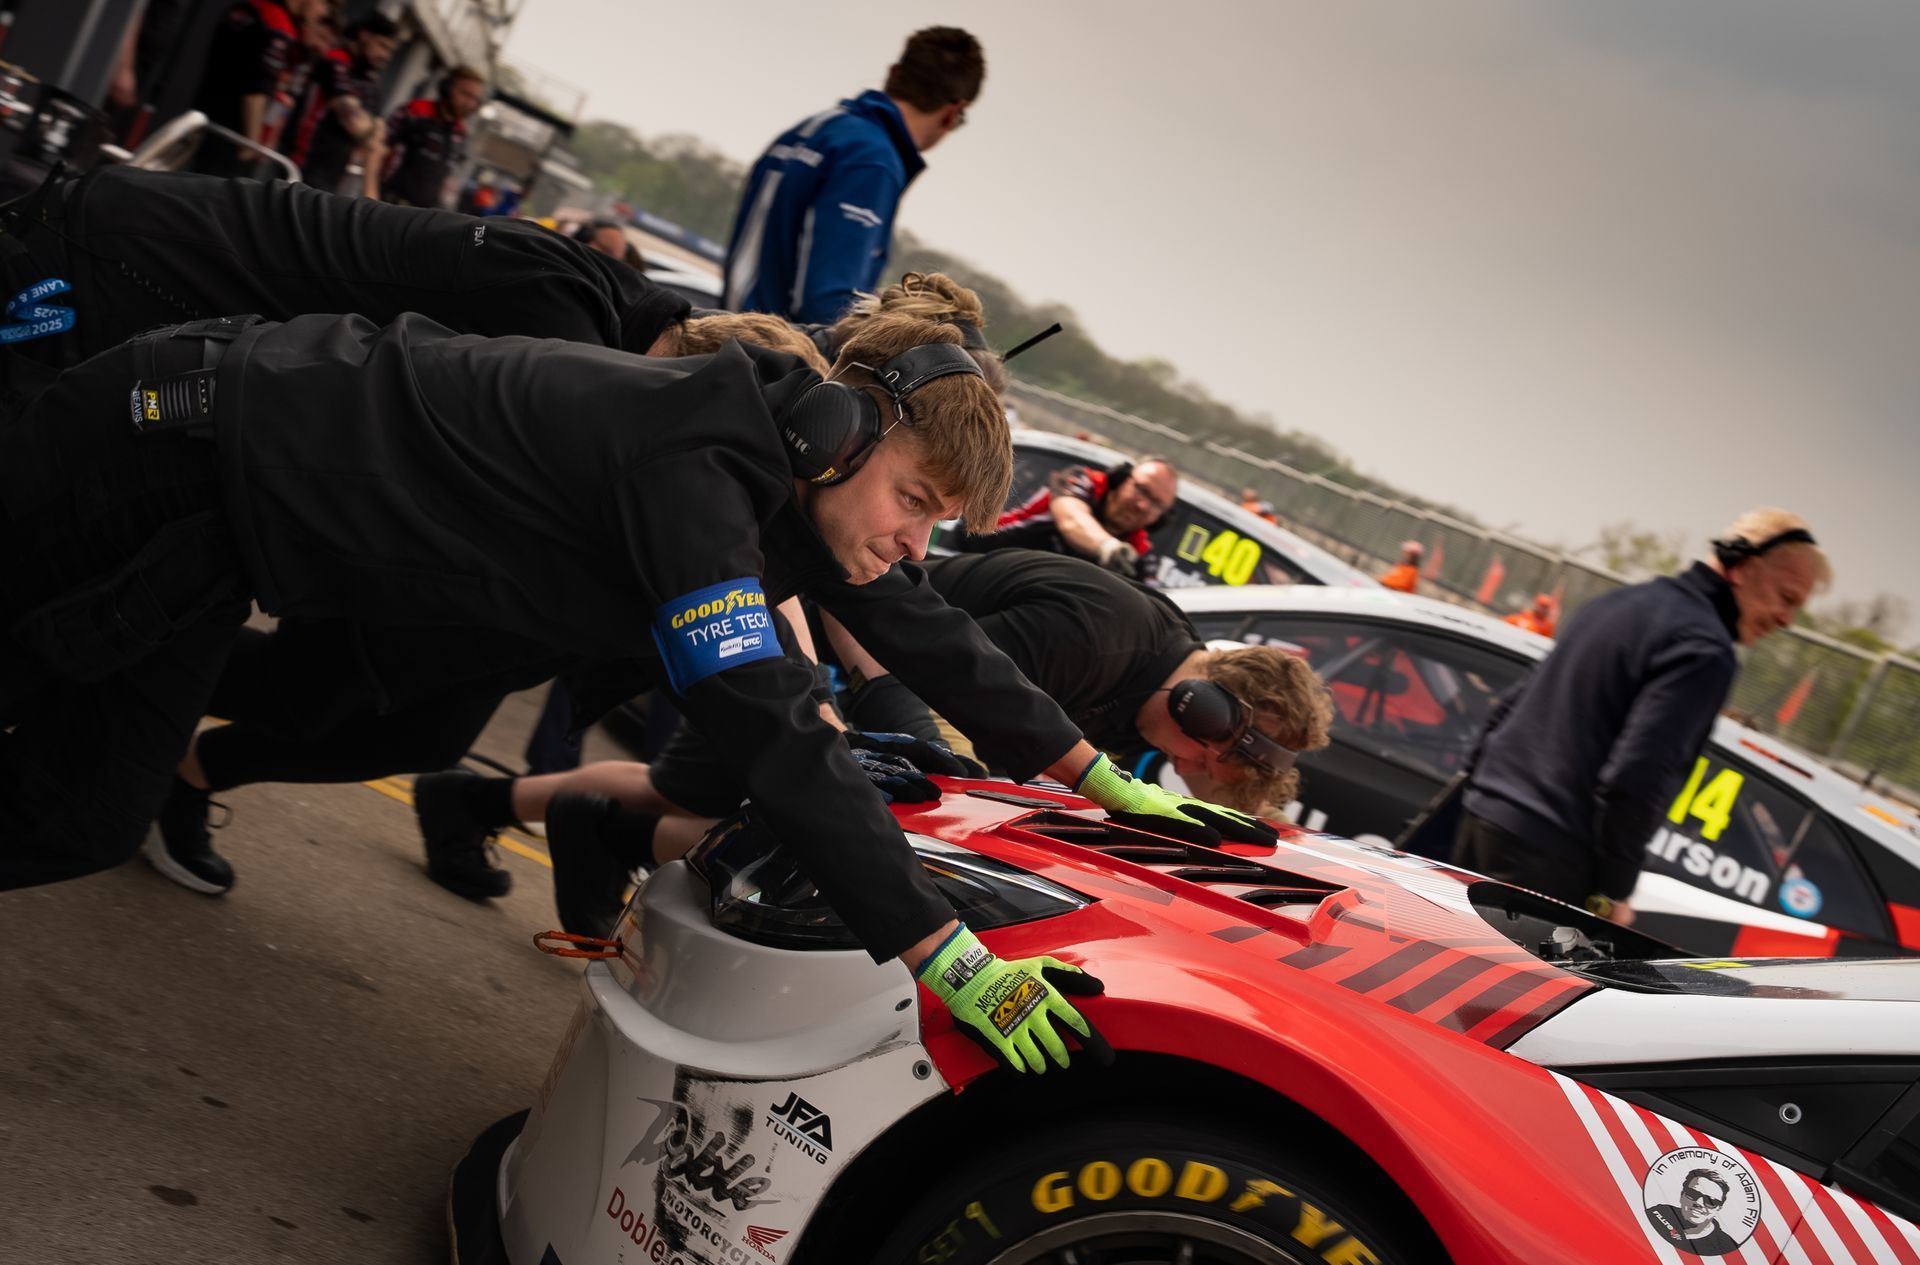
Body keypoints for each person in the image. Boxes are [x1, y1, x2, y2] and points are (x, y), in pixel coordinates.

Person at [2, 311, 1272, 1075]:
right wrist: (943, 947)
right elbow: (766, 720)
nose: (918, 541)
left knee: (82, 794)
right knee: (77, 806)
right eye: (919, 503)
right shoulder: (698, 465)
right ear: (842, 433)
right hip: (167, 445)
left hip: (220, 506)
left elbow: (926, 627)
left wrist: (1097, 779)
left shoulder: (787, 481)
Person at [435, 549, 1333, 936]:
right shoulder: (1097, 638)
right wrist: (859, 721)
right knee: (764, 822)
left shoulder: (1137, 674)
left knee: (681, 795)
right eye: (1211, 761)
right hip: (821, 635)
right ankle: (573, 827)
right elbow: (937, 669)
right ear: (1207, 709)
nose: (1200, 771)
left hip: (844, 661)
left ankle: (476, 803)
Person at [1452, 509, 1829, 924]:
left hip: (1485, 818)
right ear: (1743, 567)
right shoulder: (1705, 649)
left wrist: (1474, 791)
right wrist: (1614, 891)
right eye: (1786, 598)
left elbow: (1510, 706)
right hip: (1547, 856)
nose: (1786, 620)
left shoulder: (1621, 602)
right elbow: (1638, 775)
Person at [723, 27, 982, 323]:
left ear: (893, 74)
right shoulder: (872, 161)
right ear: (953, 112)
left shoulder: (814, 129)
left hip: (729, 334)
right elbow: (830, 305)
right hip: (770, 357)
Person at [958, 456, 1177, 580]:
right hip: (976, 556)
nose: (1142, 505)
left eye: (1156, 504)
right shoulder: (1082, 481)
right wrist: (1108, 547)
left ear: (1160, 519)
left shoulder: (1139, 556)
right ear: (1120, 479)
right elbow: (1071, 517)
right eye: (1142, 490)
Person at [190, 0, 315, 177]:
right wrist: (252, 142)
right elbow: (257, 89)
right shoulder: (277, 23)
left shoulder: (249, 8)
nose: (321, 9)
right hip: (232, 135)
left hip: (203, 116)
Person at [283, 14, 400, 198]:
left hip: (333, 177)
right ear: (364, 35)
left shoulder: (370, 82)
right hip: (300, 165)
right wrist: (370, 131)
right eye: (381, 45)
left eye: (389, 52)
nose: (384, 56)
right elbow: (354, 123)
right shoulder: (335, 61)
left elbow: (377, 145)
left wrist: (371, 197)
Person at [381, 65, 485, 209]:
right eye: (465, 94)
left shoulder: (460, 134)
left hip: (423, 215)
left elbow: (449, 179)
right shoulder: (415, 110)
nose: (470, 104)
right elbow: (378, 148)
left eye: (475, 99)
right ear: (446, 88)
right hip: (387, 203)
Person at [1645, 1170, 1740, 1256]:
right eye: (1693, 1194)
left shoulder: (1728, 1248)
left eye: (1711, 1201)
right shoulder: (1660, 1212)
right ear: (1682, 1195)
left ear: (1719, 1208)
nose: (1698, 1203)